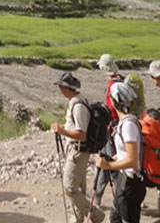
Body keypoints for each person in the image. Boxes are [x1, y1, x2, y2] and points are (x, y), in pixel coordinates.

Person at [50, 72, 105, 223]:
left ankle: (96, 215)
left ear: (66, 88)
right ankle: (78, 219)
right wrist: (63, 128)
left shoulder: (78, 106)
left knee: (69, 188)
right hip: (77, 150)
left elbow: (81, 134)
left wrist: (62, 131)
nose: (60, 89)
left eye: (61, 86)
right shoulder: (77, 101)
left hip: (78, 152)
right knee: (78, 188)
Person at [96, 82, 146, 223]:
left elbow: (132, 159)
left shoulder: (128, 125)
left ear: (114, 100)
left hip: (131, 184)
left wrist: (108, 166)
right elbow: (128, 153)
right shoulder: (126, 122)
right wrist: (114, 158)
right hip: (125, 182)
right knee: (115, 218)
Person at [94, 53, 125, 205]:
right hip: (122, 126)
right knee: (118, 159)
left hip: (112, 127)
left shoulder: (111, 86)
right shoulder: (123, 81)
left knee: (108, 161)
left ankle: (100, 195)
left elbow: (110, 109)